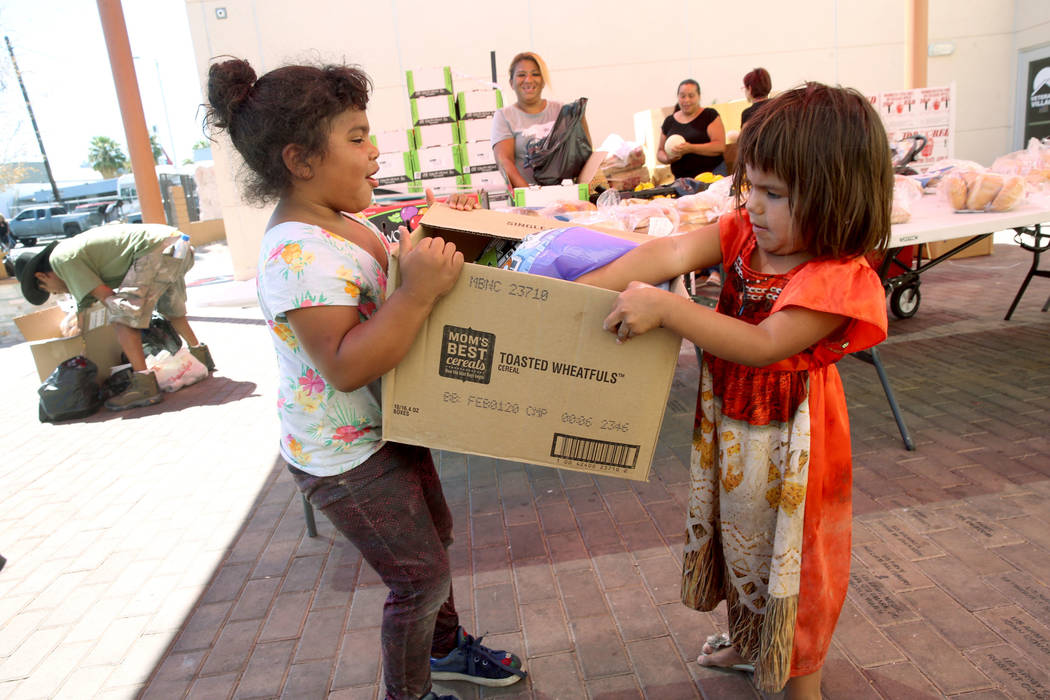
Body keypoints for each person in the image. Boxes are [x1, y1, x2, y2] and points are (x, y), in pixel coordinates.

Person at [205, 59, 527, 700]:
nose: (376, 151)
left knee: (433, 543)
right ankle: (407, 693)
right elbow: (347, 361)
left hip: (390, 423)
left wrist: (437, 239)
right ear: (300, 160)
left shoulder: (342, 221)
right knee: (418, 580)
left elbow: (381, 282)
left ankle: (444, 652)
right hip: (344, 456)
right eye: (356, 138)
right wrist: (415, 295)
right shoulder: (295, 255)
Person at [577, 82, 892, 698]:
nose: (754, 207)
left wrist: (668, 313)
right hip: (733, 431)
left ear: (837, 198)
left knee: (795, 565)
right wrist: (575, 288)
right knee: (740, 541)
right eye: (751, 188)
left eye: (775, 194)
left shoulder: (836, 277)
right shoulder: (745, 235)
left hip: (795, 448)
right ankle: (750, 643)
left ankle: (804, 684)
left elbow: (762, 343)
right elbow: (667, 250)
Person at [14, 224, 214, 410]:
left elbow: (107, 297)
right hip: (179, 244)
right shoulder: (71, 251)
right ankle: (200, 356)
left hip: (154, 251)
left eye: (49, 290)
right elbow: (86, 306)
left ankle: (143, 386)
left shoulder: (61, 260)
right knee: (171, 309)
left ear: (42, 276)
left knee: (121, 316)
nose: (56, 293)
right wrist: (78, 335)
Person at [491, 51, 589, 188]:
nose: (529, 80)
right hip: (526, 200)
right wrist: (530, 194)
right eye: (521, 75)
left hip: (565, 197)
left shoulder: (563, 111)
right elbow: (505, 161)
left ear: (543, 81)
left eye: (535, 74)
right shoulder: (504, 116)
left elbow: (583, 153)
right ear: (511, 83)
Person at [657, 79, 727, 179]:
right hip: (682, 181)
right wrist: (668, 158)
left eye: (691, 96)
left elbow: (719, 147)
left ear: (699, 96)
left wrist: (690, 148)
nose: (686, 100)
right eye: (683, 96)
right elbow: (660, 151)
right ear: (678, 97)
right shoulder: (669, 121)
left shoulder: (709, 115)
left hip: (712, 177)